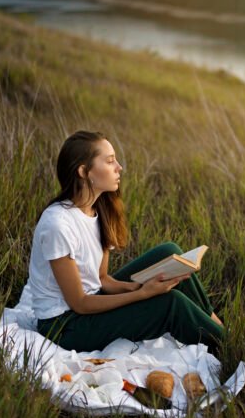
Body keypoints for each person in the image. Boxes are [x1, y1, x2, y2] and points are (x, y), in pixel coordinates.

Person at [27, 130, 225, 354]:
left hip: (91, 300)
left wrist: (136, 286)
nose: (119, 167)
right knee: (170, 303)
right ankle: (227, 345)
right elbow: (79, 303)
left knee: (170, 253)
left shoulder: (98, 210)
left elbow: (102, 279)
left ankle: (217, 326)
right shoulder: (58, 225)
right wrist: (142, 294)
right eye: (110, 161)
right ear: (83, 172)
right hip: (65, 326)